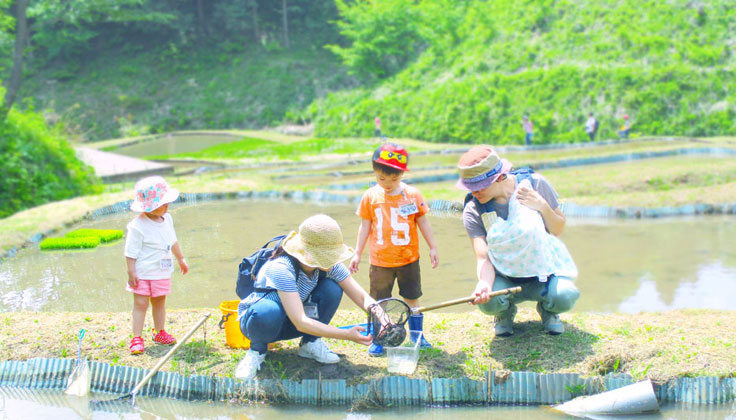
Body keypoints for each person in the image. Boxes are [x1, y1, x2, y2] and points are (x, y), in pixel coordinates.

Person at [236, 214, 379, 380]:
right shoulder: (281, 268)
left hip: (297, 320)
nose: (333, 260)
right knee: (267, 311)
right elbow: (301, 322)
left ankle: (310, 343)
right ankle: (257, 351)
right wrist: (346, 334)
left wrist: (383, 319)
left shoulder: (328, 265)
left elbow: (362, 297)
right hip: (263, 323)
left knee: (332, 288)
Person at [457, 146, 579, 337]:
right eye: (470, 188)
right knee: (489, 302)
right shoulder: (473, 209)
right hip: (505, 278)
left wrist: (543, 207)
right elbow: (483, 257)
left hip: (542, 273)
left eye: (478, 186)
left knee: (566, 296)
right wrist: (484, 285)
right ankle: (504, 312)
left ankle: (549, 311)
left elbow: (558, 229)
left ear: (498, 177)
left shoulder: (536, 185)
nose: (474, 193)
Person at [349, 143, 439, 356]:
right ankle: (379, 338)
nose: (388, 184)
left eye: (394, 179)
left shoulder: (413, 194)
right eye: (382, 179)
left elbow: (423, 222)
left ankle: (417, 335)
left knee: (412, 297)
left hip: (409, 259)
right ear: (374, 172)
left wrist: (433, 247)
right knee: (379, 302)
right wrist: (357, 253)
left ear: (402, 175)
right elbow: (365, 226)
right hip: (380, 262)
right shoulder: (370, 196)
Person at [124, 176, 188, 355]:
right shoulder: (137, 226)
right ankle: (137, 337)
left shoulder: (167, 219)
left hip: (162, 271)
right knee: (141, 303)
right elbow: (130, 252)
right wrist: (131, 272)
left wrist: (181, 258)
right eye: (163, 203)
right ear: (149, 207)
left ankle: (159, 332)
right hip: (143, 272)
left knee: (160, 301)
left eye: (167, 202)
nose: (167, 205)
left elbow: (172, 241)